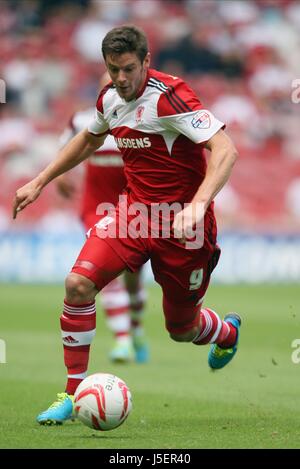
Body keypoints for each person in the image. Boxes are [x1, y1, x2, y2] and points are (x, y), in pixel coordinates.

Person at [13, 25, 241, 426]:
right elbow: (87, 139)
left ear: (147, 62)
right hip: (133, 217)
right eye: (113, 69)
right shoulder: (110, 98)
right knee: (77, 284)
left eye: (129, 69)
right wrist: (39, 180)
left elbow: (225, 148)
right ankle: (70, 393)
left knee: (181, 329)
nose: (121, 79)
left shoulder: (171, 98)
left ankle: (224, 332)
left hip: (184, 228)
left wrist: (198, 204)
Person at [56, 90, 148, 364]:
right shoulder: (83, 120)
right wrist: (60, 174)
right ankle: (122, 340)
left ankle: (136, 328)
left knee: (132, 280)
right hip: (95, 209)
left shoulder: (142, 122)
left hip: (131, 209)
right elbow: (67, 148)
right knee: (103, 273)